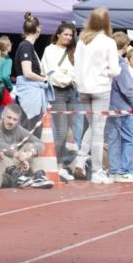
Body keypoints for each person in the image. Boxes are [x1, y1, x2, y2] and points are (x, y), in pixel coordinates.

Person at [73, 7, 120, 184]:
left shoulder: (82, 41)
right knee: (99, 130)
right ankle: (97, 170)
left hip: (83, 88)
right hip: (100, 88)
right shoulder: (108, 42)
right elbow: (115, 70)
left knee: (93, 126)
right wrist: (108, 71)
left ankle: (81, 158)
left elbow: (76, 64)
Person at [0, 103, 52, 189]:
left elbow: (40, 144)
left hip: (13, 165)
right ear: (3, 115)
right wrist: (19, 156)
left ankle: (39, 176)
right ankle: (18, 177)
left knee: (30, 146)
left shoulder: (18, 129)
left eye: (15, 119)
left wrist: (28, 154)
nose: (11, 122)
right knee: (2, 152)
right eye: (9, 117)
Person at [41, 20, 78, 180]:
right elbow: (53, 75)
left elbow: (77, 73)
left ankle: (60, 166)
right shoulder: (49, 50)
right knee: (61, 130)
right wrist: (68, 77)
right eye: (66, 34)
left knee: (68, 130)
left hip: (71, 92)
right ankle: (51, 166)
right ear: (58, 34)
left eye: (70, 35)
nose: (68, 37)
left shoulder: (73, 52)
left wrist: (67, 76)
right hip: (57, 92)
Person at [106, 32, 133, 182]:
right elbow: (127, 89)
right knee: (130, 139)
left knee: (113, 139)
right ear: (125, 46)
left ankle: (115, 170)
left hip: (109, 105)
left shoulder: (106, 61)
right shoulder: (120, 64)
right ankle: (125, 170)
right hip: (124, 107)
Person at [13, 12, 50, 131]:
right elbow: (27, 72)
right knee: (30, 128)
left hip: (31, 93)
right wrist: (44, 79)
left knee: (31, 128)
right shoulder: (26, 46)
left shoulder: (28, 46)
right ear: (38, 29)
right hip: (29, 94)